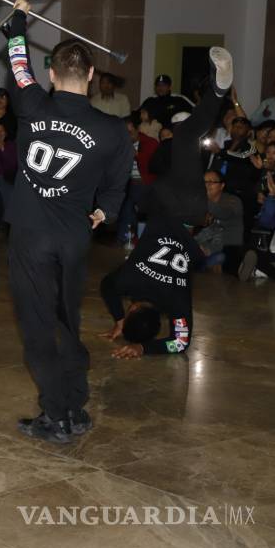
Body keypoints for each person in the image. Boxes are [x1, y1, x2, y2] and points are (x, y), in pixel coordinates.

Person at [4, 0, 133, 445]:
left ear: (53, 74)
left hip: (31, 237)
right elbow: (119, 180)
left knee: (39, 328)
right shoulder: (112, 129)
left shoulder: (31, 102)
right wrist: (105, 212)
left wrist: (17, 21)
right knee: (66, 322)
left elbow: (18, 63)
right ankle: (75, 407)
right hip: (75, 239)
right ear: (91, 75)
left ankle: (55, 415)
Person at [98, 48, 234, 359]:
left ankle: (218, 90)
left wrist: (144, 347)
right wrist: (118, 318)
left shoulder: (176, 302)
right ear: (133, 309)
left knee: (182, 140)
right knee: (183, 138)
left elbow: (180, 343)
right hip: (165, 202)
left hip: (193, 210)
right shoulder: (129, 281)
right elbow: (106, 286)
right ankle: (218, 91)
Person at [114, 114, 159, 245]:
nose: (127, 136)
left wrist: (133, 152)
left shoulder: (150, 142)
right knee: (127, 213)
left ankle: (139, 241)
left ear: (137, 129)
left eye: (130, 132)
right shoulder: (122, 144)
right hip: (131, 185)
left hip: (147, 185)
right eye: (124, 133)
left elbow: (151, 165)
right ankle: (124, 240)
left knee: (141, 215)